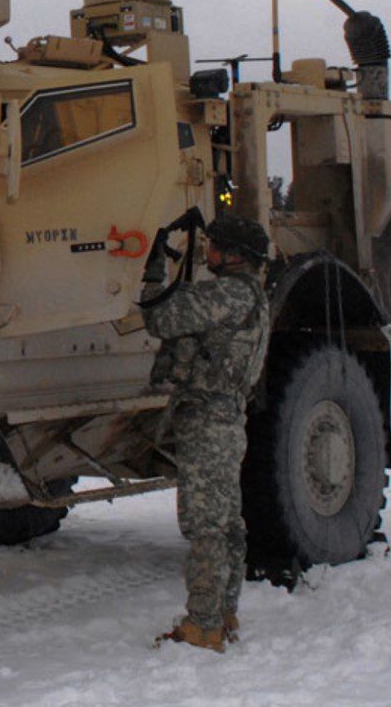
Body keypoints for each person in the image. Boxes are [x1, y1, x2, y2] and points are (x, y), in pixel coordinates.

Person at [140, 213, 271, 653]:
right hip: (228, 418)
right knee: (227, 524)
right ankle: (223, 614)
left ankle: (203, 625)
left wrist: (154, 269)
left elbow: (161, 319)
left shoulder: (228, 296)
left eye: (215, 246)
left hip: (208, 421)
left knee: (206, 527)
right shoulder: (250, 295)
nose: (209, 252)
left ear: (234, 255)